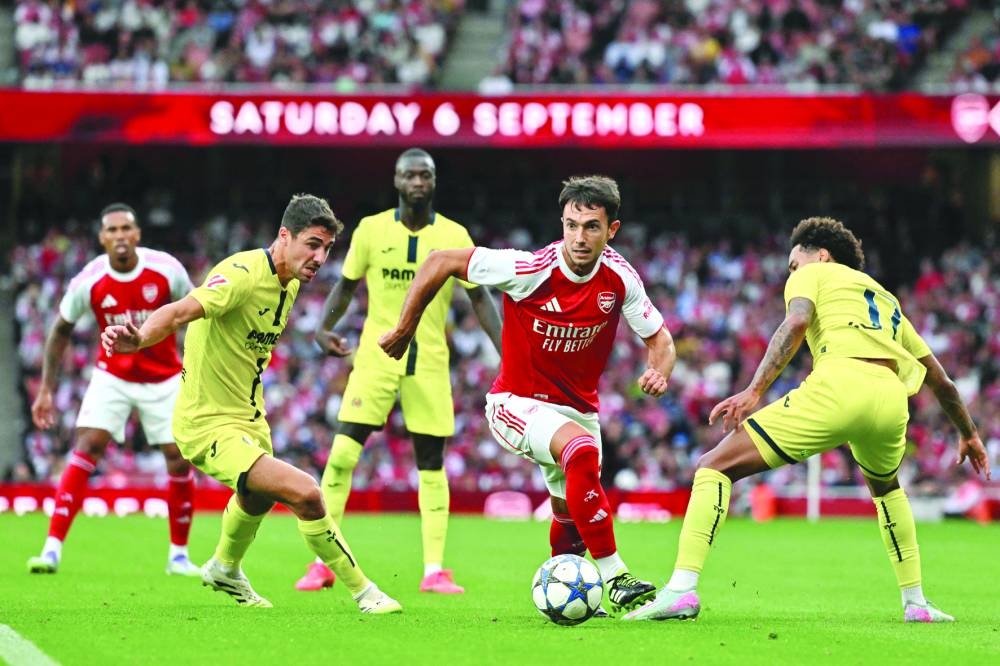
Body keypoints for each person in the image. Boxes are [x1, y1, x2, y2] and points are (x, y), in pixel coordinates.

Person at [623, 216, 993, 623]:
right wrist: (969, 434)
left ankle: (680, 591)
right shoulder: (885, 298)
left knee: (712, 466)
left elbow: (796, 321)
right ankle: (917, 603)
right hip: (891, 399)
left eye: (792, 264)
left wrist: (754, 391)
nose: (791, 272)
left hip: (840, 384)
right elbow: (939, 379)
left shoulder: (814, 272)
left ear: (820, 255)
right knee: (887, 490)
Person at [379, 175, 677, 615]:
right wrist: (406, 327)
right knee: (577, 452)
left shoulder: (620, 279)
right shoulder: (529, 269)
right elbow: (440, 260)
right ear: (562, 223)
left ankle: (565, 591)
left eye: (591, 226)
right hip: (516, 403)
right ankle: (616, 577)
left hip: (577, 409)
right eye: (572, 225)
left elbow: (661, 340)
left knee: (570, 514)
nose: (579, 237)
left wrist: (660, 371)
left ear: (611, 230)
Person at [102, 194, 402, 613]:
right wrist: (140, 338)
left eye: (327, 249)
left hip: (250, 420)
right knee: (307, 493)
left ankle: (225, 568)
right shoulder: (242, 273)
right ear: (284, 236)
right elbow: (179, 311)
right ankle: (366, 593)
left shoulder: (291, 282)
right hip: (206, 424)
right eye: (313, 244)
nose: (320, 257)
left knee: (257, 497)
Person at [295, 148, 503, 595]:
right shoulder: (371, 230)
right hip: (374, 358)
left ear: (434, 181)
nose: (417, 181)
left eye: (425, 174)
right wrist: (323, 328)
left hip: (427, 361)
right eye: (410, 174)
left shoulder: (453, 234)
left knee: (431, 464)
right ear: (396, 180)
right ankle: (323, 564)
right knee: (343, 455)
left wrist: (507, 351)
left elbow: (480, 297)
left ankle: (434, 570)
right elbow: (346, 286)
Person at [27, 203, 200, 577]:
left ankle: (179, 556)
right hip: (113, 376)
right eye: (112, 230)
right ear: (102, 238)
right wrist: (45, 390)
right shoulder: (88, 280)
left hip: (165, 376)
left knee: (179, 457)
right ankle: (52, 548)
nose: (120, 236)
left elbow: (195, 312)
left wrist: (199, 369)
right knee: (87, 445)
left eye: (126, 229)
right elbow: (60, 330)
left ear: (137, 234)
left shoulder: (167, 269)